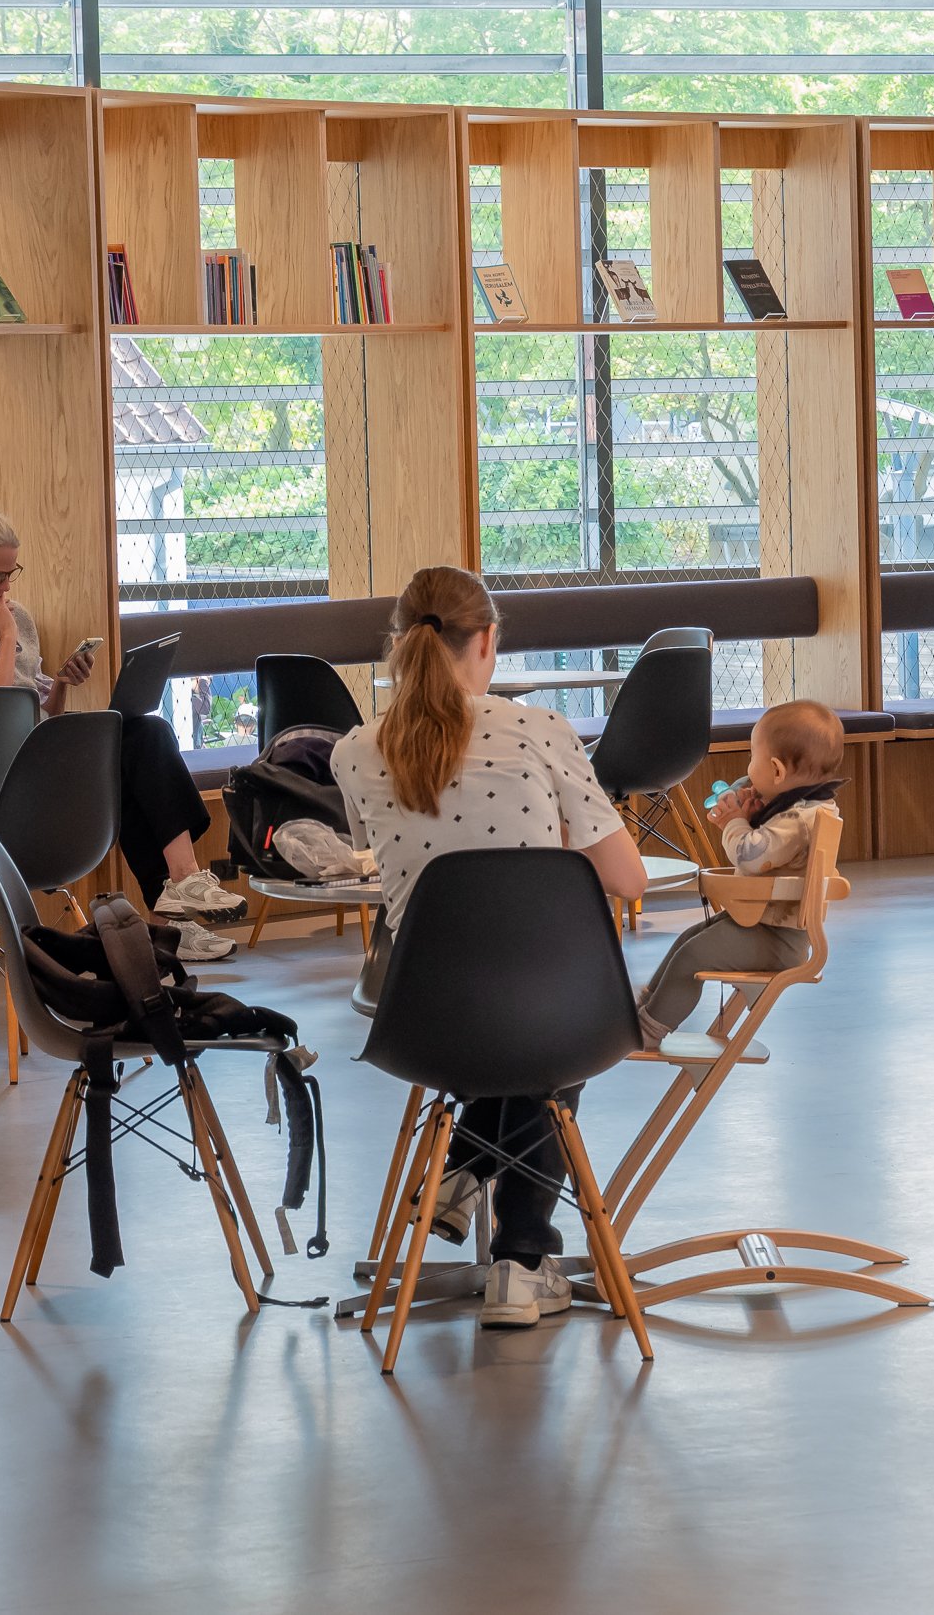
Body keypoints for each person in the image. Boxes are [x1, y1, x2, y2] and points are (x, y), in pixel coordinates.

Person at [331, 565, 649, 1331]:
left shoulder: (354, 750)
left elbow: (375, 856)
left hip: (424, 1011)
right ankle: (521, 1256)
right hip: (549, 1014)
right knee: (558, 1006)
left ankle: (467, 1163)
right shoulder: (542, 731)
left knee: (519, 999)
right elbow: (628, 878)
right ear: (488, 643)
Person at [0, 511, 244, 959]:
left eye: (11, 574)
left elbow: (42, 703)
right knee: (134, 752)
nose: (5, 587)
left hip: (35, 765)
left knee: (143, 735)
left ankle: (180, 893)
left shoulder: (15, 616)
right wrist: (4, 639)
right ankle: (173, 913)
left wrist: (61, 682)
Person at [634, 699, 843, 1045]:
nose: (748, 771)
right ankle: (645, 1006)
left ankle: (650, 1029)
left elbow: (748, 855)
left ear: (777, 772)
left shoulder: (796, 821)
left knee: (693, 955)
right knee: (688, 938)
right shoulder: (800, 807)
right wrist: (745, 802)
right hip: (765, 926)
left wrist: (735, 821)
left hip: (778, 940)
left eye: (752, 759)